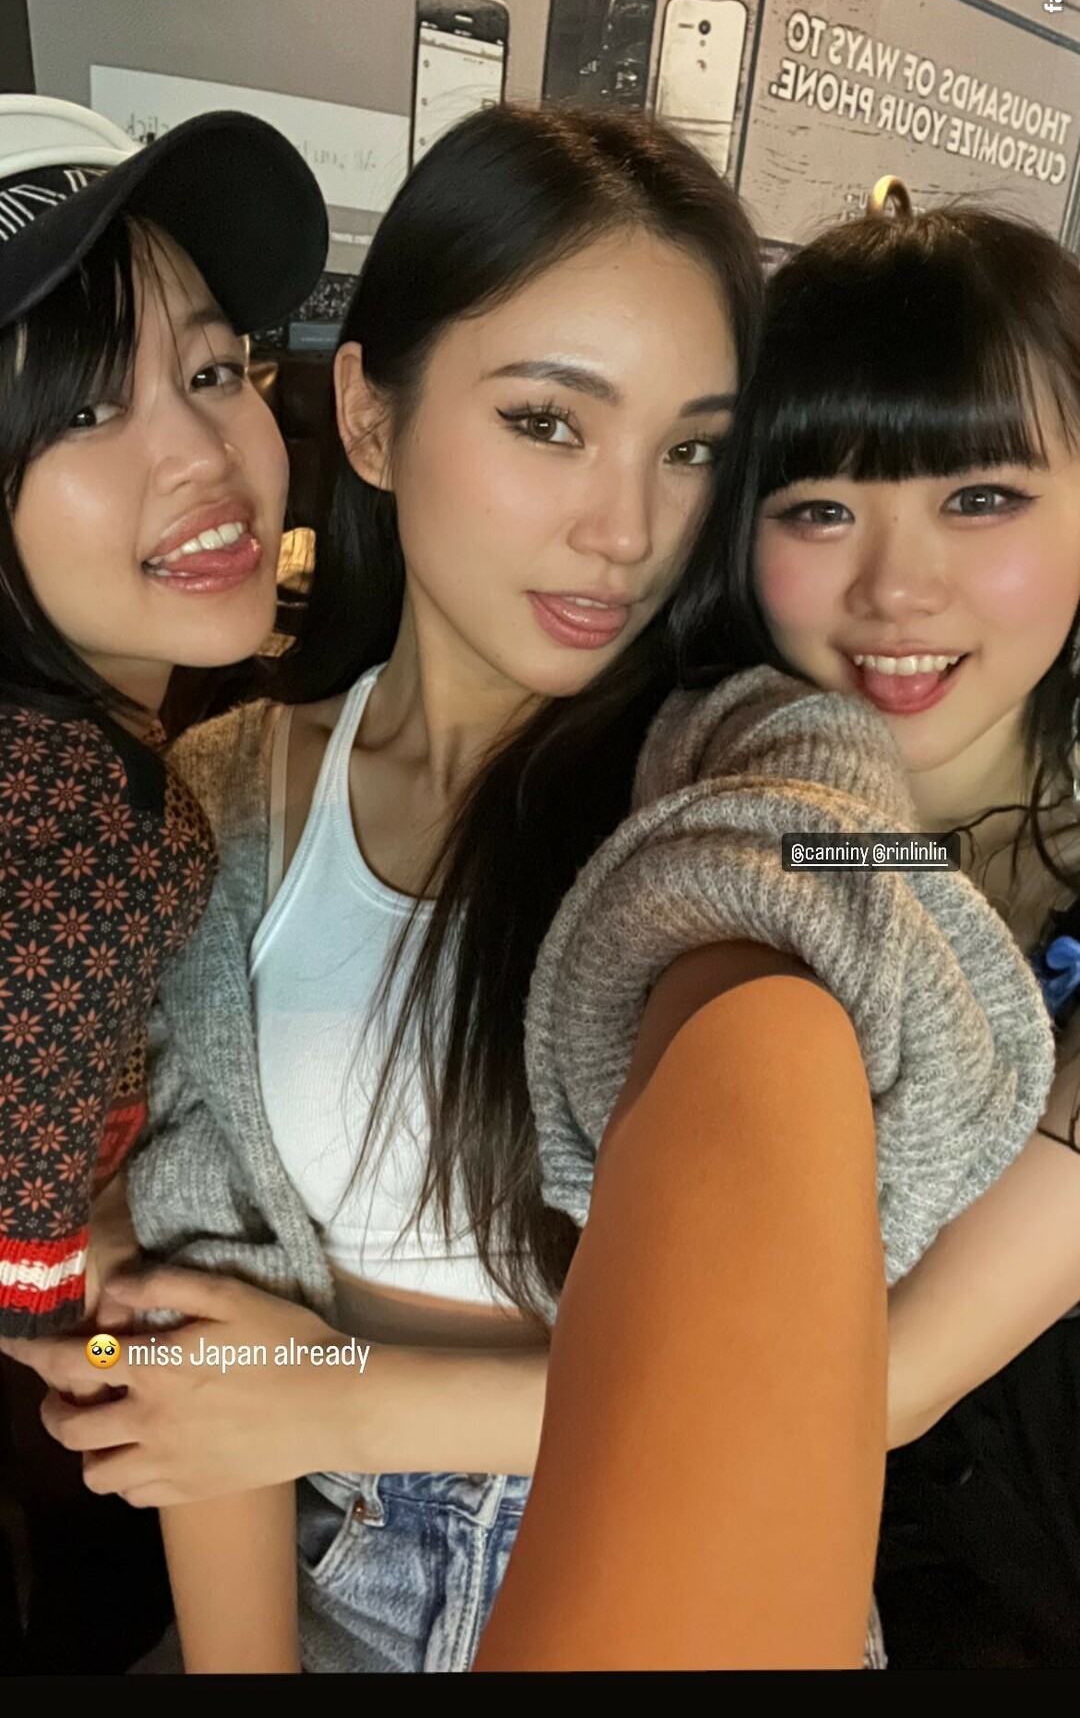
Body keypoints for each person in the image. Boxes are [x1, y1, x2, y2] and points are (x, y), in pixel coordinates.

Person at [1, 104, 765, 1673]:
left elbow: (808, 1380)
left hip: (685, 1582)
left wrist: (321, 1386)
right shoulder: (211, 803)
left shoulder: (742, 805)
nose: (629, 530)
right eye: (548, 421)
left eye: (691, 446)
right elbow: (196, 1341)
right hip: (328, 1580)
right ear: (365, 414)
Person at [475, 189, 1080, 1668]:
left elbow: (880, 1382)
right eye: (818, 508)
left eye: (982, 498)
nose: (896, 589)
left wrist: (305, 1399)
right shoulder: (715, 810)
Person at [0, 94, 327, 1666]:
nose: (203, 454)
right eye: (80, 409)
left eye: (209, 371)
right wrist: (64, 1307)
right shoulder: (108, 818)